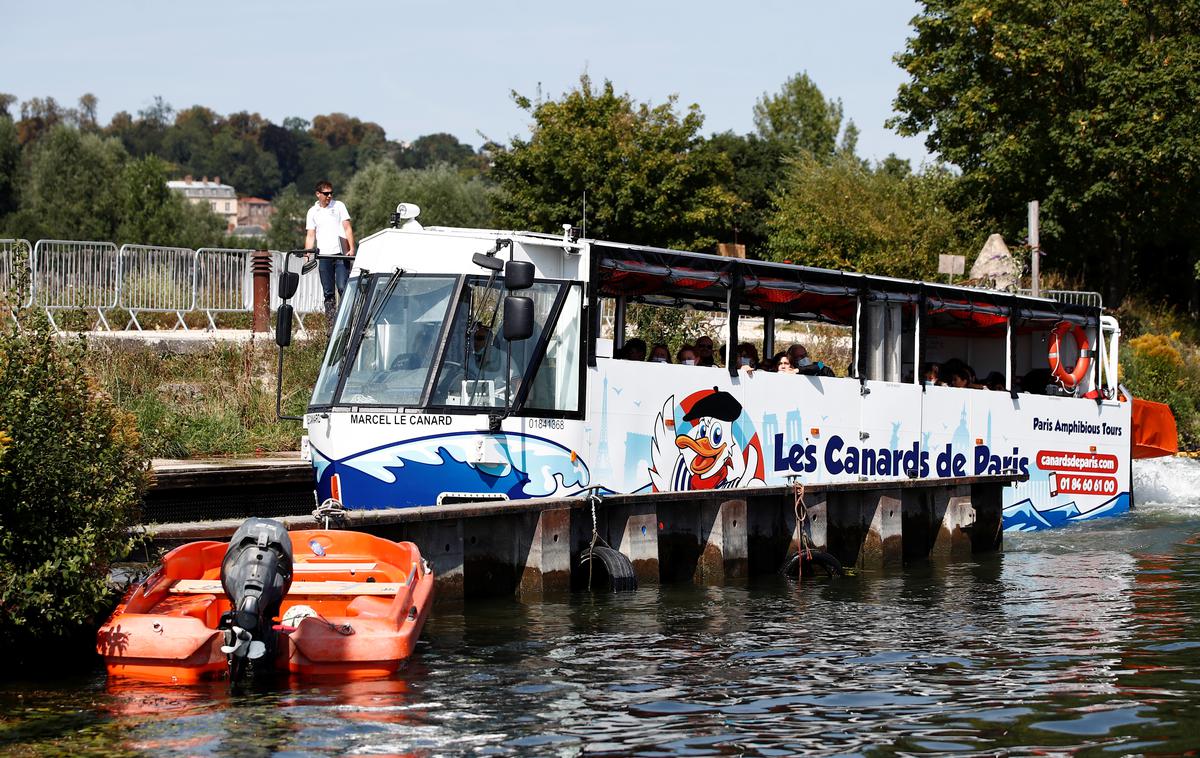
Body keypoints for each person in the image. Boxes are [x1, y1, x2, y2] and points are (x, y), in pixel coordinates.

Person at [305, 180, 355, 323]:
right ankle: (331, 324)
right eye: (326, 193)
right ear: (318, 194)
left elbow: (347, 228)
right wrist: (307, 254)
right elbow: (310, 235)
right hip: (323, 255)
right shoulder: (312, 212)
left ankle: (347, 321)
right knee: (328, 292)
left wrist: (351, 248)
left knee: (342, 287)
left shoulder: (339, 206)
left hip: (340, 254)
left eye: (331, 193)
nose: (329, 196)